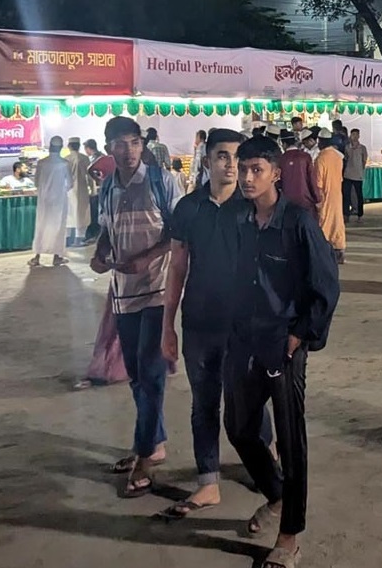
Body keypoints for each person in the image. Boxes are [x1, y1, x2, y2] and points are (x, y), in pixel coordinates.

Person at [225, 136, 340, 568]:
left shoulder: (297, 222)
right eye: (243, 169)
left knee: (291, 441)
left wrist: (301, 334)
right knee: (239, 426)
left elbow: (325, 284)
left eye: (256, 169)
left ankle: (289, 536)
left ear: (276, 173)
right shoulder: (238, 218)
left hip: (284, 344)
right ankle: (276, 494)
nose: (247, 177)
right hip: (244, 339)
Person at [158, 128, 274, 519]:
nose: (231, 165)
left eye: (237, 158)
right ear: (206, 160)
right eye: (222, 156)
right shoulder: (188, 208)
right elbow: (177, 268)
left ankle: (264, 463)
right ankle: (208, 482)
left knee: (250, 402)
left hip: (244, 325)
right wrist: (168, 326)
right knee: (204, 404)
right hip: (199, 323)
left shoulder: (253, 207)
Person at [91, 116, 179, 498]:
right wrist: (100, 254)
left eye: (133, 142)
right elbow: (106, 230)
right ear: (108, 148)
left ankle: (143, 456)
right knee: (137, 375)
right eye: (119, 144)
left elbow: (179, 232)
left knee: (152, 373)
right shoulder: (108, 186)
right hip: (123, 292)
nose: (127, 151)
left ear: (142, 145)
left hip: (159, 290)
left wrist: (148, 258)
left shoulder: (162, 181)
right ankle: (153, 442)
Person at [29, 137, 72, 268]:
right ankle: (57, 257)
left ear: (50, 147)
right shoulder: (65, 163)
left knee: (41, 225)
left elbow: (36, 182)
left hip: (44, 200)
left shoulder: (42, 163)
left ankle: (37, 257)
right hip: (59, 201)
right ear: (61, 148)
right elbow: (70, 184)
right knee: (58, 227)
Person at [315, 128, 347, 263]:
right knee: (337, 222)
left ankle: (324, 253)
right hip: (337, 194)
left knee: (325, 223)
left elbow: (318, 183)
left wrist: (318, 201)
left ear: (321, 141)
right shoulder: (338, 157)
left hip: (325, 196)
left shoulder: (321, 158)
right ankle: (339, 250)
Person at [278, 128, 322, 220]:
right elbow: (312, 179)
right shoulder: (305, 157)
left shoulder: (281, 159)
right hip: (305, 201)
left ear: (284, 144)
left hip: (287, 202)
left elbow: (278, 182)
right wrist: (317, 198)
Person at [65, 137, 93, 247]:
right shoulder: (85, 158)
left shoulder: (65, 159)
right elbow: (90, 176)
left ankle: (67, 239)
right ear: (79, 146)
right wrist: (93, 190)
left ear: (69, 146)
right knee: (82, 214)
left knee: (68, 215)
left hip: (68, 191)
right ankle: (78, 239)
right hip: (82, 190)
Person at [342, 128, 368, 224]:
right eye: (353, 134)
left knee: (359, 195)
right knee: (346, 195)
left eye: (356, 134)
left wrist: (361, 170)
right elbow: (345, 159)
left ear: (359, 136)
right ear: (350, 135)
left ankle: (360, 215)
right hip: (348, 174)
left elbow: (364, 160)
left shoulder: (362, 148)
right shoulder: (347, 147)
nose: (355, 136)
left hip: (358, 175)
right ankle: (346, 215)